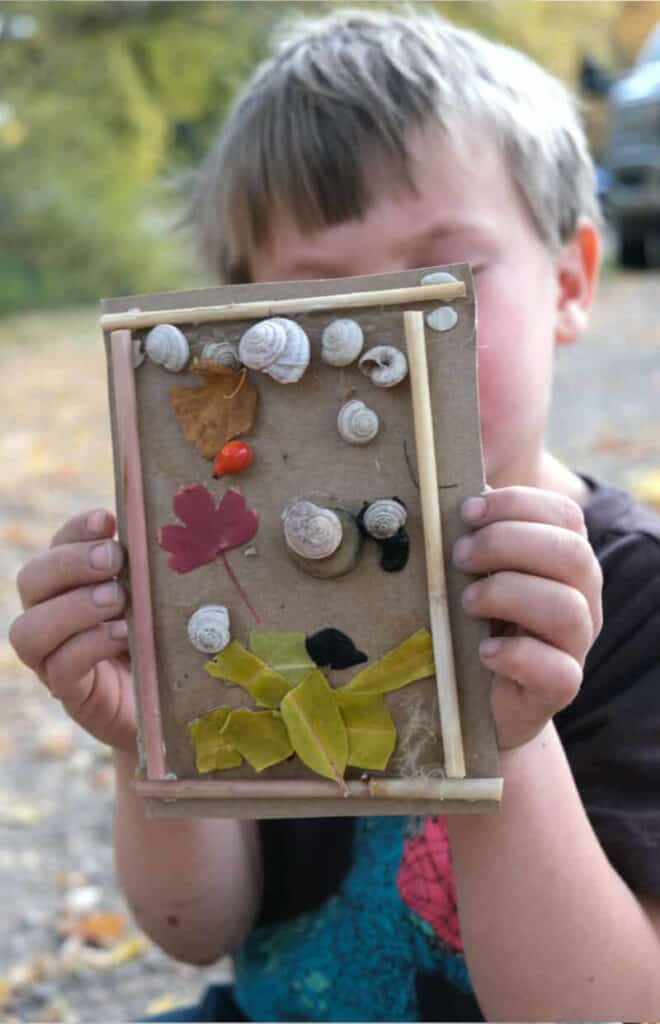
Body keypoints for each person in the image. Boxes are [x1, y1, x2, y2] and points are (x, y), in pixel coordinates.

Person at [9, 9, 660, 1021]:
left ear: (571, 280)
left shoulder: (641, 598)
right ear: (236, 323)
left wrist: (514, 740)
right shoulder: (237, 584)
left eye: (448, 276)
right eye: (323, 296)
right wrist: (149, 741)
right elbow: (195, 926)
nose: (378, 338)